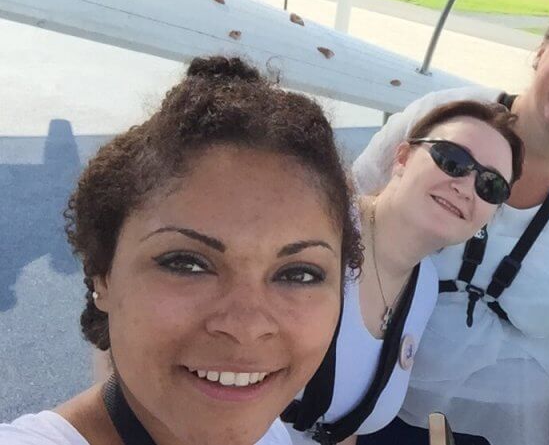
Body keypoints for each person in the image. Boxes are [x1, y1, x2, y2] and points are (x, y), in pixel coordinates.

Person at [0, 56, 362, 444]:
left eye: (299, 273)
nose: (246, 326)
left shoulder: (271, 433)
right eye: (187, 264)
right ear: (102, 275)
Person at [350, 0, 549, 444]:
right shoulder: (445, 120)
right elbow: (342, 223)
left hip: (516, 428)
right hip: (372, 400)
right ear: (541, 50)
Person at [282, 101, 524, 445]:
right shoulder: (314, 231)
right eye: (452, 160)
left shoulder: (422, 288)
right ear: (402, 157)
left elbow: (338, 427)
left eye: (491, 185)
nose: (466, 186)